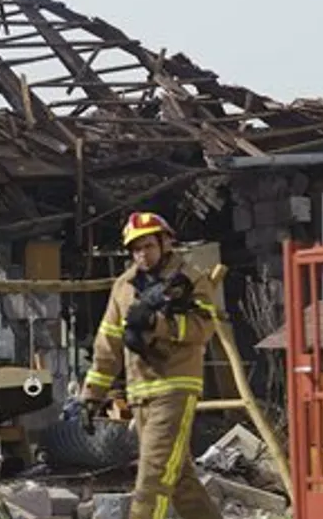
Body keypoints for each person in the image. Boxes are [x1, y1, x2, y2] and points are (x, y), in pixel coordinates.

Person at [79, 211, 223, 519]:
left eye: (148, 246)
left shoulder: (189, 277)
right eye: (136, 249)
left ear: (165, 242)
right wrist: (92, 394)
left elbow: (203, 328)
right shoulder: (123, 287)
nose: (142, 254)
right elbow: (108, 342)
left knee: (153, 477)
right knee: (180, 479)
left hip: (175, 388)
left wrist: (157, 323)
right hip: (140, 393)